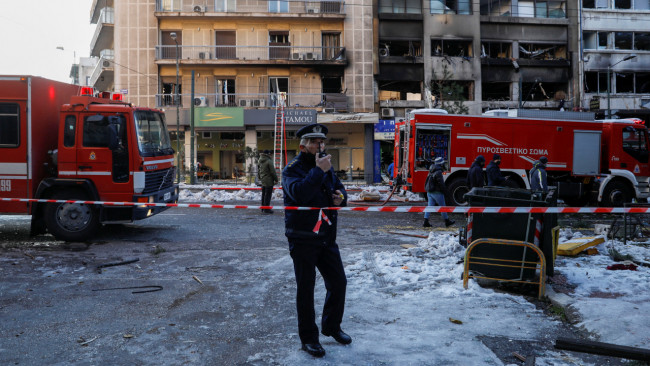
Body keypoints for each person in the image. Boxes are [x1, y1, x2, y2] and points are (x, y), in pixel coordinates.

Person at [282, 123, 350, 358]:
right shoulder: (292, 169)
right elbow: (299, 194)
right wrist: (318, 171)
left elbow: (340, 191)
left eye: (321, 142)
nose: (319, 145)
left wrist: (341, 198)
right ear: (302, 146)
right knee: (306, 289)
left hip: (326, 237)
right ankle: (309, 339)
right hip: (302, 239)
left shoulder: (326, 166)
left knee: (338, 282)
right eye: (313, 142)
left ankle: (331, 327)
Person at [423, 157, 455, 228]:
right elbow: (441, 184)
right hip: (437, 192)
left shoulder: (431, 169)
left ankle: (425, 221)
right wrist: (446, 193)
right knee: (442, 207)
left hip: (430, 192)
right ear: (440, 164)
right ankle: (447, 221)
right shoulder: (438, 172)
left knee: (429, 207)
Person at [257, 150, 278, 214]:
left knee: (263, 194)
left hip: (263, 180)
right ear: (268, 154)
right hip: (268, 180)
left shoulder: (259, 160)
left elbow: (259, 170)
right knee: (268, 195)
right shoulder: (269, 161)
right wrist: (276, 179)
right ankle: (267, 209)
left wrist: (260, 177)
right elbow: (272, 171)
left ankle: (263, 208)